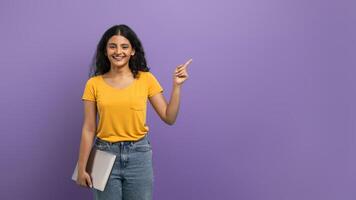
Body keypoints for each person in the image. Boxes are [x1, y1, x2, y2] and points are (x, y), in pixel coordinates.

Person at [75, 24, 192, 200]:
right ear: (105, 51)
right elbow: (89, 128)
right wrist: (82, 167)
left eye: (124, 46)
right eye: (112, 46)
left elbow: (169, 117)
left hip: (139, 154)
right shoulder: (94, 84)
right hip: (104, 153)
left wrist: (176, 87)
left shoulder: (146, 79)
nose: (118, 51)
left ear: (132, 51)